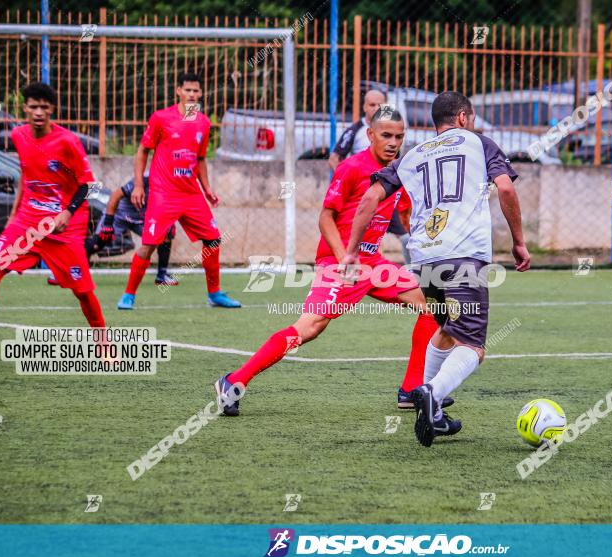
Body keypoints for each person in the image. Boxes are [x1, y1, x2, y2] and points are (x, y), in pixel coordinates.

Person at [213, 106, 449, 415]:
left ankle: (410, 389)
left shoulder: (400, 171)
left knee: (434, 308)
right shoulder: (352, 168)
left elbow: (404, 211)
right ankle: (232, 381)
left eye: (399, 137)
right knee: (309, 328)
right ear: (370, 135)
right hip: (338, 264)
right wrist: (344, 258)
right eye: (386, 135)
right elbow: (325, 218)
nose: (393, 142)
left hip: (374, 264)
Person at [342, 91, 531, 446]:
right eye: (470, 118)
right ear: (462, 117)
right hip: (463, 256)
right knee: (474, 346)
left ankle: (431, 409)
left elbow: (369, 198)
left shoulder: (414, 154)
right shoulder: (479, 143)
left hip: (425, 259)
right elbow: (505, 188)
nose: (471, 124)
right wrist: (518, 242)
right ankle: (432, 390)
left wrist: (351, 251)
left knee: (445, 330)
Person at [0, 82, 106, 366]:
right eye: (33, 106)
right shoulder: (19, 136)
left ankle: (103, 344)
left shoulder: (68, 141)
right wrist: (13, 218)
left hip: (64, 228)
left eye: (45, 107)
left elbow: (88, 185)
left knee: (82, 291)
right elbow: (26, 174)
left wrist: (66, 214)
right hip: (27, 223)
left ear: (52, 110)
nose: (39, 112)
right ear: (25, 108)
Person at [117, 71, 240, 310]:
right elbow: (143, 151)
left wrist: (207, 189)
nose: (192, 95)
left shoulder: (203, 122)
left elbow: (201, 158)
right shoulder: (161, 118)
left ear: (201, 93)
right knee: (150, 243)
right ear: (179, 91)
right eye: (188, 90)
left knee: (213, 240)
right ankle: (129, 294)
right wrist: (139, 185)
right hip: (164, 194)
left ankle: (214, 293)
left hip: (191, 194)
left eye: (196, 91)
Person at [330, 89, 411, 264]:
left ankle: (417, 276)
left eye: (379, 105)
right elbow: (334, 158)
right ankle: (344, 265)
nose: (375, 108)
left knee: (407, 239)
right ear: (364, 107)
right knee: (352, 239)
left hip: (385, 196)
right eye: (371, 105)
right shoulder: (355, 130)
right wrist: (348, 182)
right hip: (362, 198)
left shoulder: (394, 129)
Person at [90, 175, 178, 287]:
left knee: (165, 234)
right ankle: (75, 268)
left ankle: (162, 274)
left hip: (142, 218)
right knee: (97, 243)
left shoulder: (175, 183)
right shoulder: (146, 178)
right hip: (120, 215)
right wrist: (108, 223)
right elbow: (115, 195)